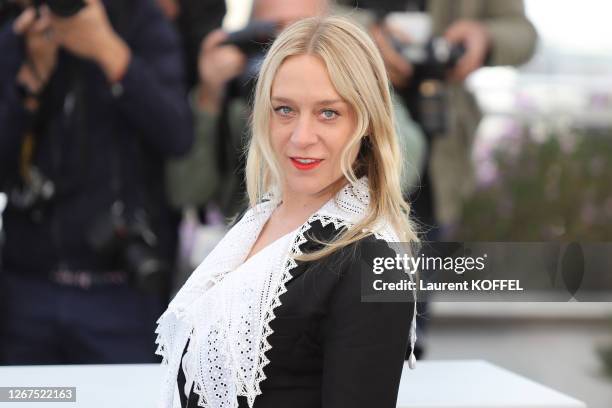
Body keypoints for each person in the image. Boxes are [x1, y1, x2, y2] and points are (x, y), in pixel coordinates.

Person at [155, 16, 419, 408]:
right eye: (285, 110)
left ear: (365, 122)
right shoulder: (257, 220)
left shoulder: (373, 262)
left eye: (328, 112)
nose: (300, 137)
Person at [0, 0, 193, 364]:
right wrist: (31, 81)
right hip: (29, 286)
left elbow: (177, 134)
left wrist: (108, 50)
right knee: (25, 399)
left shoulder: (139, 21)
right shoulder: (20, 31)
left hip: (120, 288)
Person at [164, 0, 425, 220]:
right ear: (254, 32)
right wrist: (209, 96)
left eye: (304, 29)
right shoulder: (234, 92)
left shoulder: (351, 82)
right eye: (274, 32)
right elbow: (185, 191)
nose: (290, 45)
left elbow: (404, 169)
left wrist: (362, 75)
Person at [334, 0, 537, 238]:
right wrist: (360, 38)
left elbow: (523, 33)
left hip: (436, 164)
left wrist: (485, 37)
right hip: (340, 152)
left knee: (417, 259)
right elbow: (299, 9)